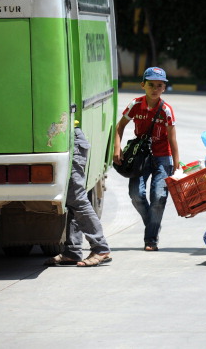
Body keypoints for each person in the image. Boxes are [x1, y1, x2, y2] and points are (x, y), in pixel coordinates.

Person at [113, 67, 180, 252]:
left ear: (164, 88)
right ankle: (153, 224)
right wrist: (116, 148)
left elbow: (172, 138)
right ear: (143, 85)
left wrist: (177, 164)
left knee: (159, 197)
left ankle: (151, 239)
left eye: (159, 85)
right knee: (136, 195)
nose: (155, 89)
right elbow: (119, 127)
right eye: (151, 84)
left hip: (162, 157)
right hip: (140, 157)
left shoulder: (166, 110)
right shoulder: (135, 104)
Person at [44, 125, 112, 267]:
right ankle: (72, 252)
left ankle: (100, 248)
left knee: (76, 197)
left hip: (70, 140)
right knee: (70, 201)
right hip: (62, 139)